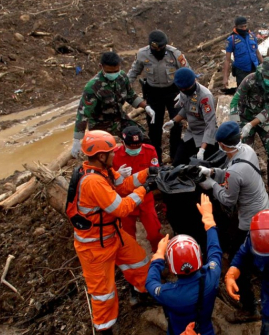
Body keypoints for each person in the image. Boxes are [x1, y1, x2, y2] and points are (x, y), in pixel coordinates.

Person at [68, 130, 154, 334]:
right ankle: (104, 329)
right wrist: (145, 189)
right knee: (103, 293)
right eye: (111, 152)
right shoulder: (93, 182)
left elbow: (123, 185)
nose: (116, 154)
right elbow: (121, 208)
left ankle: (143, 293)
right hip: (94, 246)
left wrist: (147, 174)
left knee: (140, 261)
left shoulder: (103, 170)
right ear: (101, 156)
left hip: (111, 234)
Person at [198, 122, 269, 322]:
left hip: (250, 221)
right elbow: (234, 173)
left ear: (222, 144)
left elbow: (227, 200)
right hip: (265, 209)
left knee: (237, 261)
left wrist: (212, 184)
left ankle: (250, 308)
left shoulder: (235, 171)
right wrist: (213, 172)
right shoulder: (247, 150)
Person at [146, 194, 222, 335]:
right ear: (199, 258)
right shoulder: (211, 278)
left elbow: (150, 283)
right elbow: (215, 252)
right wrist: (209, 220)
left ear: (172, 268)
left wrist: (158, 257)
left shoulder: (168, 293)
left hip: (177, 330)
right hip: (205, 329)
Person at [72, 52, 156, 159]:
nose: (113, 74)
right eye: (109, 72)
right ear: (101, 67)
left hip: (120, 119)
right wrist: (77, 139)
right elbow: (83, 113)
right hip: (100, 126)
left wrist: (146, 107)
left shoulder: (122, 77)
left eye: (116, 71)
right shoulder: (93, 86)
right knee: (106, 154)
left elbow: (131, 95)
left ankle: (146, 166)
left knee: (141, 139)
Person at [127, 31, 190, 164]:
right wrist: (124, 87)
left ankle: (175, 158)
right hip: (153, 94)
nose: (160, 51)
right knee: (154, 128)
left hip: (173, 93)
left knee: (176, 125)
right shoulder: (142, 54)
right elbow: (132, 74)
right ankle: (156, 160)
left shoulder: (175, 54)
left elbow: (187, 72)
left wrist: (185, 92)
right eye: (157, 49)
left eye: (162, 48)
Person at [229, 57, 269, 199]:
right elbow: (235, 102)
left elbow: (268, 110)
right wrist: (237, 124)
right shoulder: (250, 80)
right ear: (262, 73)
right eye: (267, 76)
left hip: (263, 119)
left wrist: (251, 125)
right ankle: (246, 186)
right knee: (243, 153)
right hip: (244, 116)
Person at [112, 126, 163, 252]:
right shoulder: (114, 155)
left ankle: (159, 255)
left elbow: (154, 172)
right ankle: (132, 258)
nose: (135, 149)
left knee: (154, 232)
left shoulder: (149, 151)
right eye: (131, 147)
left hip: (145, 198)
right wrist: (116, 174)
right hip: (125, 201)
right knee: (127, 236)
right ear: (123, 143)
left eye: (138, 146)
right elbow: (104, 179)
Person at [163, 68, 218, 166]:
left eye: (186, 89)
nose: (183, 91)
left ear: (194, 82)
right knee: (178, 163)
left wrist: (202, 149)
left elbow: (210, 124)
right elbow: (187, 109)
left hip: (205, 135)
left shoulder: (205, 97)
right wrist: (173, 121)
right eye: (181, 89)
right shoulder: (184, 92)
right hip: (191, 133)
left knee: (202, 167)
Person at [223, 17, 264, 88]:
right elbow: (227, 60)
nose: (244, 28)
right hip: (241, 71)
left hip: (254, 68)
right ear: (236, 27)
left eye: (245, 26)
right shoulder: (231, 39)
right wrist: (225, 77)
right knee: (243, 93)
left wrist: (264, 67)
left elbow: (257, 53)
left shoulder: (251, 36)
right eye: (241, 27)